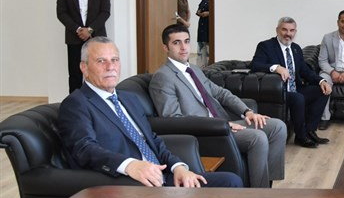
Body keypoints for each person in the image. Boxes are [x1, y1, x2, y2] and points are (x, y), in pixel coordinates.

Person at [58, 37, 242, 188]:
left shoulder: (128, 99)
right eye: (101, 61)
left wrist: (178, 167)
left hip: (163, 176)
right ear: (84, 68)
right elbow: (84, 149)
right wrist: (129, 165)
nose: (110, 67)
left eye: (114, 60)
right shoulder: (76, 104)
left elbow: (152, 140)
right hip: (132, 184)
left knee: (230, 181)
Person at [149, 24, 287, 188]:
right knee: (258, 137)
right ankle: (259, 193)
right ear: (166, 47)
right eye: (176, 43)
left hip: (223, 124)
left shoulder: (194, 70)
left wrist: (247, 112)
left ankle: (269, 184)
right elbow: (173, 119)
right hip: (207, 133)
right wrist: (220, 125)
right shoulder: (163, 77)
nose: (184, 47)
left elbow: (221, 93)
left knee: (277, 127)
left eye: (186, 41)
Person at [250, 17, 332, 148]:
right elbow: (255, 65)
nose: (288, 34)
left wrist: (322, 81)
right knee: (298, 98)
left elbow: (305, 71)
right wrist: (276, 67)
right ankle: (301, 137)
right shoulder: (266, 46)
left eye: (292, 30)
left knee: (322, 91)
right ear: (277, 30)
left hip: (295, 88)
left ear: (295, 32)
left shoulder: (295, 48)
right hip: (279, 92)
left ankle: (310, 131)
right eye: (284, 30)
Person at [56, 0, 111, 93]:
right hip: (74, 37)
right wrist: (78, 30)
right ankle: (75, 102)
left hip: (96, 37)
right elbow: (61, 13)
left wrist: (90, 30)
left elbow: (105, 12)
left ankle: (98, 101)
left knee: (98, 71)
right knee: (75, 74)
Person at [196, 0, 210, 67]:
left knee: (208, 46)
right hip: (202, 24)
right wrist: (199, 12)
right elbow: (199, 8)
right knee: (202, 46)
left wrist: (208, 13)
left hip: (209, 25)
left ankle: (208, 64)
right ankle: (202, 65)